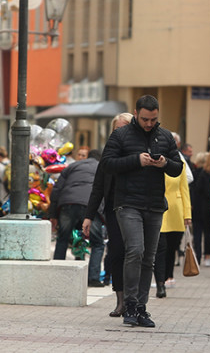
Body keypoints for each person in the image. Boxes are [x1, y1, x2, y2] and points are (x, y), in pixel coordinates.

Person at [98, 95, 183, 327]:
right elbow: (107, 163)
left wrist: (165, 163)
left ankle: (142, 308)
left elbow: (178, 169)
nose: (149, 124)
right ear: (136, 113)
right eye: (145, 119)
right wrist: (137, 160)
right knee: (135, 250)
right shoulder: (121, 135)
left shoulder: (164, 136)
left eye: (153, 119)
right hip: (128, 203)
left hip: (155, 204)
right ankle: (130, 303)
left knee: (149, 257)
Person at [84, 112, 133, 317]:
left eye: (124, 129)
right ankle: (121, 300)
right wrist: (89, 215)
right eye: (116, 130)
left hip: (135, 207)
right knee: (116, 253)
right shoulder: (108, 154)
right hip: (114, 209)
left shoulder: (139, 152)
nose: (120, 133)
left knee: (136, 253)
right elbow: (98, 186)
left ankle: (134, 300)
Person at [50, 149, 104, 286]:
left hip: (68, 203)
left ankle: (57, 274)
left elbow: (56, 190)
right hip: (91, 206)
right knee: (97, 243)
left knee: (62, 239)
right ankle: (93, 278)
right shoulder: (102, 168)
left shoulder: (72, 166)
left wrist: (53, 215)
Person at [153, 156, 192, 298]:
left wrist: (187, 214)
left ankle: (168, 276)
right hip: (159, 209)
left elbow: (184, 190)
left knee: (172, 248)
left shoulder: (179, 164)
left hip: (176, 211)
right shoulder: (154, 162)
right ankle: (160, 283)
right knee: (160, 248)